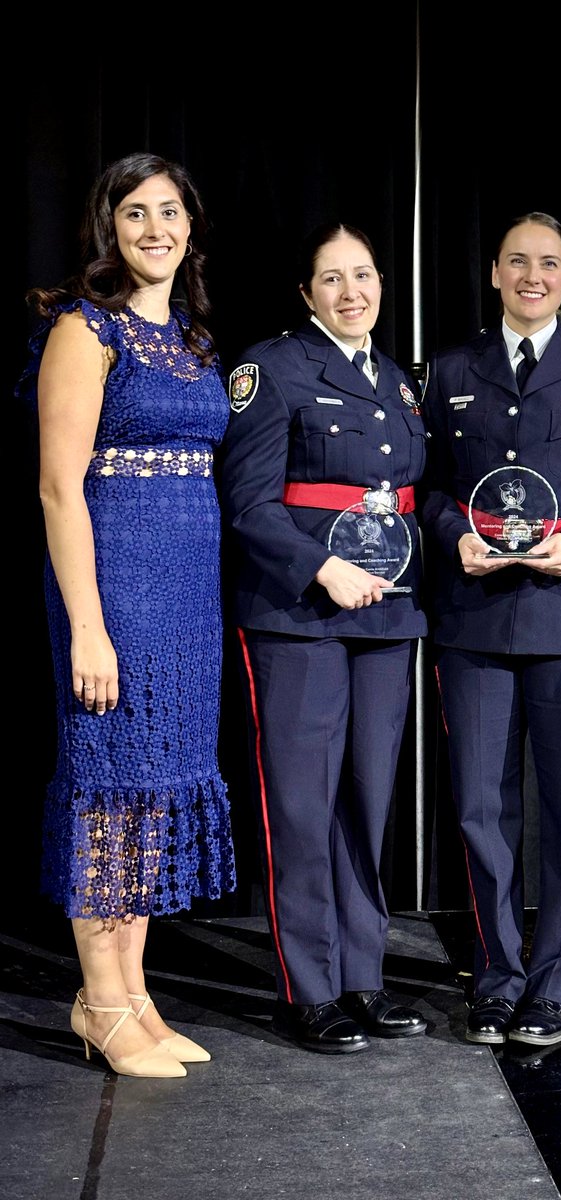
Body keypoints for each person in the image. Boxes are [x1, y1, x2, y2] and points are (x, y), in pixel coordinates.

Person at [17, 152, 236, 1079]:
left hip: (188, 598)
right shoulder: (84, 328)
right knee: (110, 790)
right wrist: (89, 626)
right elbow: (59, 490)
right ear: (110, 227)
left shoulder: (189, 338)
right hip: (114, 597)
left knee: (153, 790)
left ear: (190, 225)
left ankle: (135, 995)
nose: (156, 229)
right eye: (135, 214)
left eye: (170, 212)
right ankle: (99, 1002)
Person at [421, 211, 561, 1048]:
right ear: (494, 272)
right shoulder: (450, 370)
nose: (532, 276)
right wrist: (454, 537)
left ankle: (560, 982)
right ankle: (496, 974)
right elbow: (430, 488)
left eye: (549, 263)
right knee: (482, 809)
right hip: (474, 620)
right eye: (517, 261)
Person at [219, 223, 429, 1055]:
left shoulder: (404, 384)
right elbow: (250, 504)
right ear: (306, 295)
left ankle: (363, 977)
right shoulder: (268, 370)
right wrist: (320, 569)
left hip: (388, 613)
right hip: (300, 616)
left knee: (368, 799)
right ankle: (307, 989)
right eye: (332, 279)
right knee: (302, 806)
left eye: (365, 274)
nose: (353, 291)